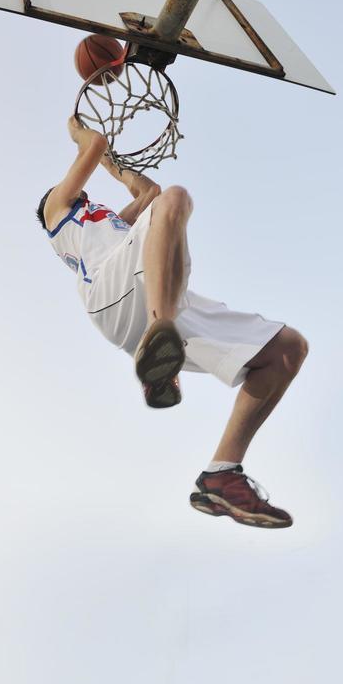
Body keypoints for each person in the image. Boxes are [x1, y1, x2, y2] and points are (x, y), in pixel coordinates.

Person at [36, 116, 309, 529]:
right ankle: (159, 336)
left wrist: (111, 162)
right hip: (116, 290)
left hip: (147, 285)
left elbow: (147, 192)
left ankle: (221, 472)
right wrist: (79, 133)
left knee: (287, 349)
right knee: (176, 199)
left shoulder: (111, 222)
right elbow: (93, 147)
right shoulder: (58, 211)